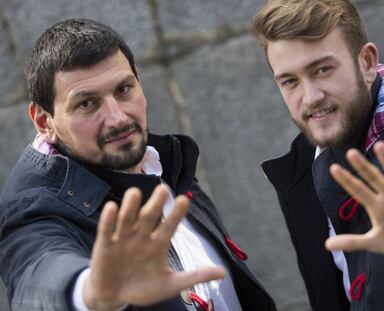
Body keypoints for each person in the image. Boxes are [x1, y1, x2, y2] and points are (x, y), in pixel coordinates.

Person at [0, 19, 276, 311]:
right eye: (86, 104)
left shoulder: (163, 161)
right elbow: (39, 274)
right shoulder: (30, 210)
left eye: (123, 90)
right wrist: (93, 291)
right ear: (45, 122)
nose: (117, 118)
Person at [251, 0, 384, 310]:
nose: (311, 97)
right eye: (290, 81)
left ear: (367, 62)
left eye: (322, 69)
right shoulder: (303, 164)